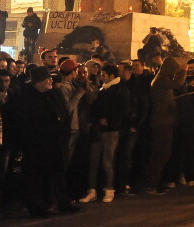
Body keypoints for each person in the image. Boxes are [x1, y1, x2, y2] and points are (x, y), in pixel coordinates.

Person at [20, 67, 78, 216]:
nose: (50, 81)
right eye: (47, 79)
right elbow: (25, 123)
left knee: (58, 174)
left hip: (56, 142)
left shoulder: (54, 93)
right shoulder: (27, 98)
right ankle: (39, 206)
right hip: (37, 144)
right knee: (37, 177)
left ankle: (63, 202)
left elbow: (64, 113)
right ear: (38, 82)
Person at [80, 64, 128, 203]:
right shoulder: (104, 89)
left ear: (111, 76)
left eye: (104, 74)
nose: (101, 77)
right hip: (98, 129)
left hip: (110, 130)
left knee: (107, 161)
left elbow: (123, 110)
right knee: (94, 160)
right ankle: (92, 190)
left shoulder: (120, 90)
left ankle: (109, 188)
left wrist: (110, 121)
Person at [143, 56, 187, 194]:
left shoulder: (160, 79)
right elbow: (178, 84)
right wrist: (183, 71)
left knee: (160, 152)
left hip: (163, 120)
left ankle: (154, 182)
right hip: (162, 121)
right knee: (162, 152)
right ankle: (152, 183)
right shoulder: (162, 80)